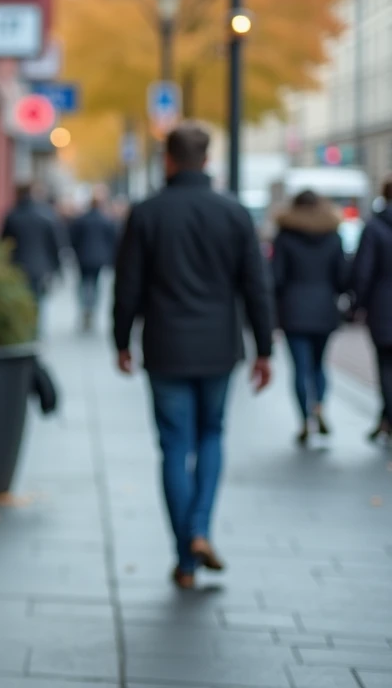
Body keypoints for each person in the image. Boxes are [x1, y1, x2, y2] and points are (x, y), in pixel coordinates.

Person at [112, 121, 273, 590]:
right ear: (206, 161)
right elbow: (256, 288)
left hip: (165, 346)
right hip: (219, 347)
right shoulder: (234, 214)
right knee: (211, 435)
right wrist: (264, 348)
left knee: (173, 446)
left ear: (168, 160)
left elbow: (128, 287)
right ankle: (200, 529)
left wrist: (120, 340)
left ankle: (185, 556)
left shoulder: (147, 213)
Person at [270, 190, 348, 445]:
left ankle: (304, 418)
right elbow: (342, 277)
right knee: (319, 365)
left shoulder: (285, 237)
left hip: (293, 310)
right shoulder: (333, 236)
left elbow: (276, 277)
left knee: (300, 368)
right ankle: (319, 407)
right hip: (324, 308)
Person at [351, 177, 392, 442]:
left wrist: (358, 304)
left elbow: (363, 272)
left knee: (386, 365)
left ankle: (387, 420)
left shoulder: (375, 227)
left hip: (384, 307)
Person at [1, 182, 63, 327]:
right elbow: (54, 245)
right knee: (38, 302)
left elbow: (3, 243)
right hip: (39, 268)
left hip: (17, 266)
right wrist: (56, 268)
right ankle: (36, 331)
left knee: (19, 302)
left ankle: (24, 329)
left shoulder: (12, 217)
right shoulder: (45, 216)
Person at [67, 189, 120, 331]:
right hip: (99, 259)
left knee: (83, 284)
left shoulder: (81, 220)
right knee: (95, 285)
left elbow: (73, 239)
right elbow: (113, 241)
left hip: (83, 257)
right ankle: (92, 309)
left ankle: (85, 308)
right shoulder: (107, 221)